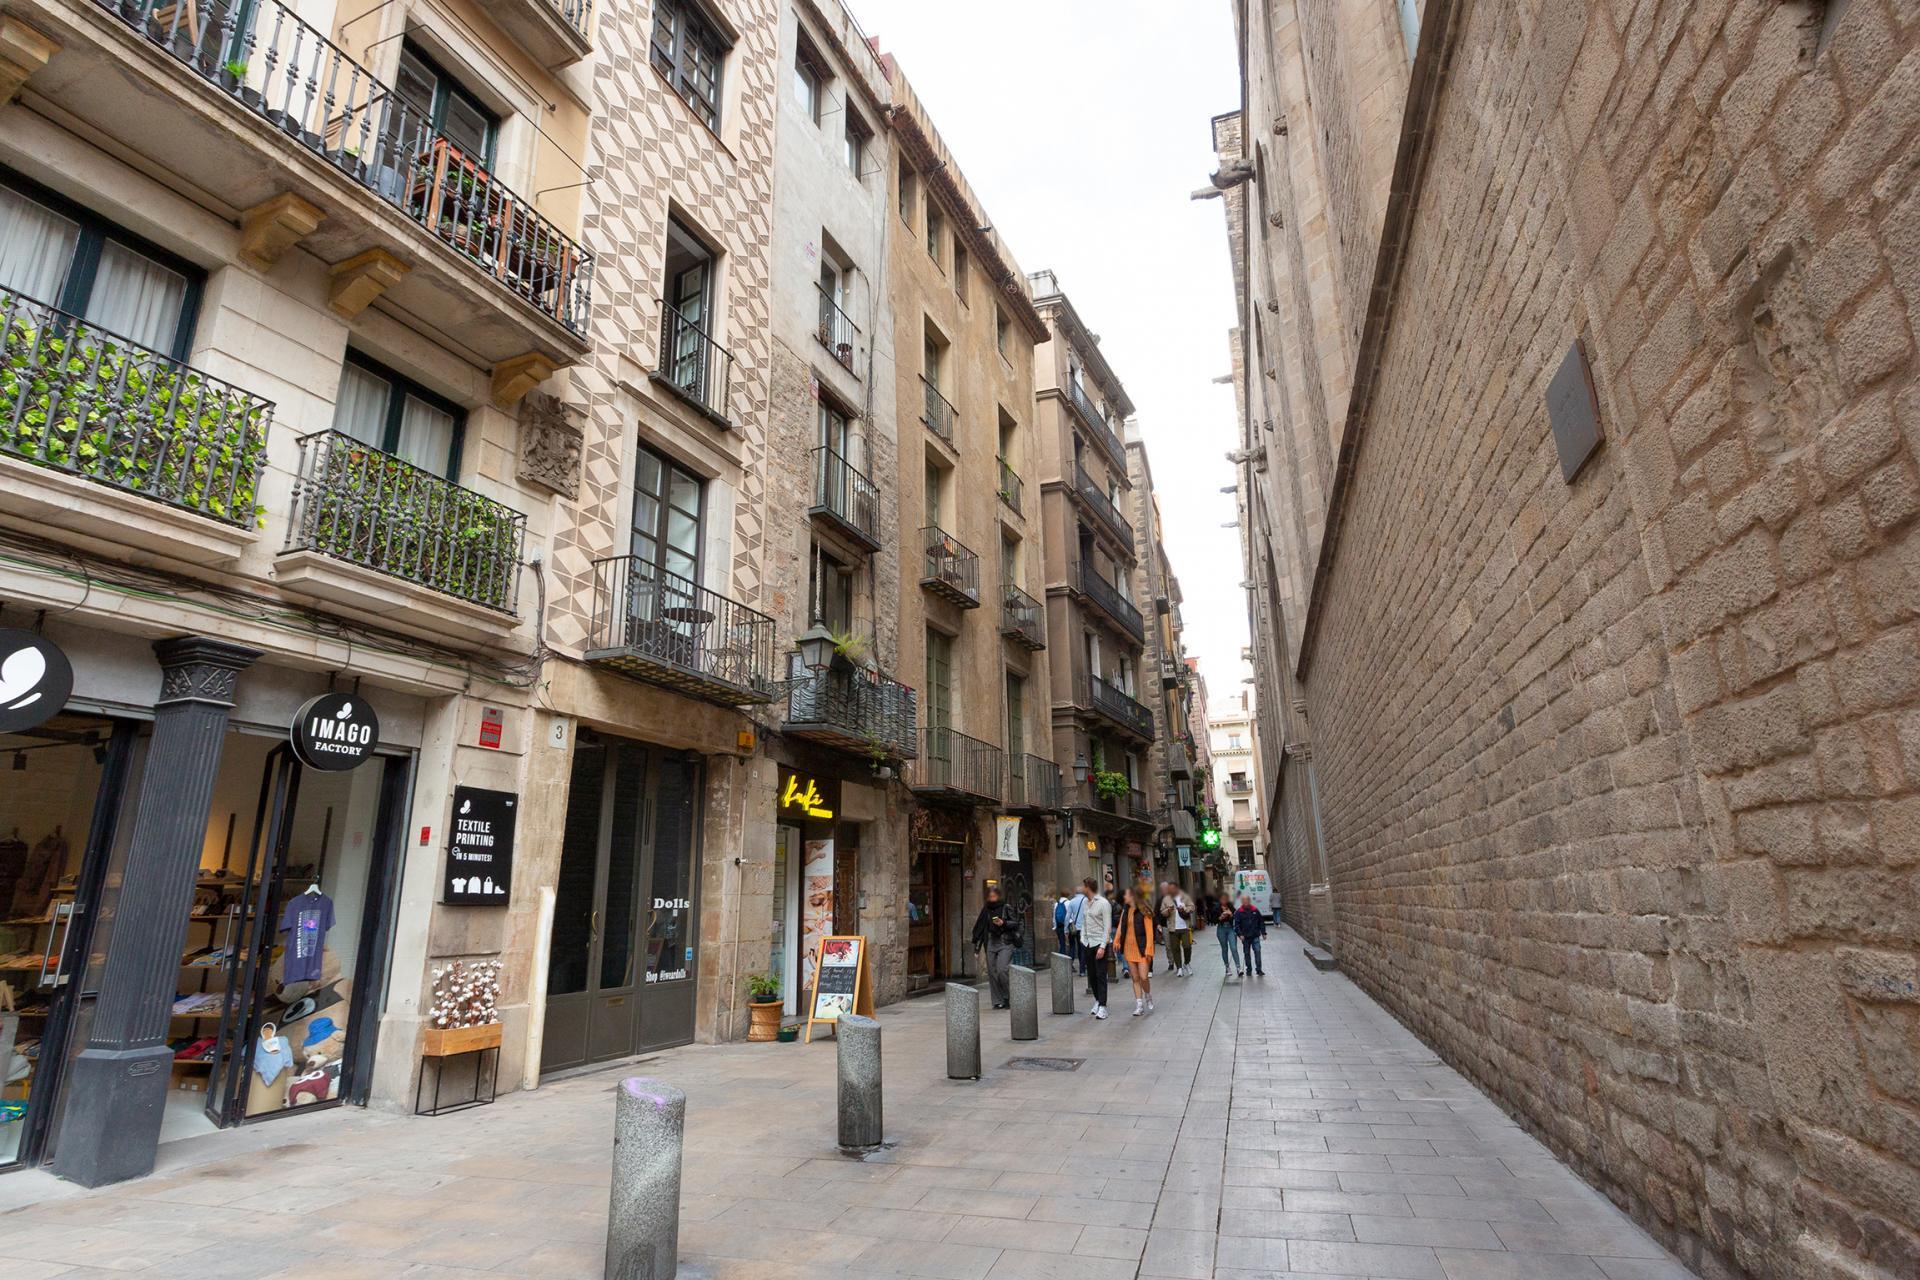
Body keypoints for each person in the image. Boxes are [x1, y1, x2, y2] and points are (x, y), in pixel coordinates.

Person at [971, 885, 1021, 1009]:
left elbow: (1016, 923)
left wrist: (1003, 923)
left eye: (994, 896)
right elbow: (980, 929)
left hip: (1005, 941)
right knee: (992, 973)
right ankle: (998, 1001)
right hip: (991, 942)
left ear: (998, 896)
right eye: (990, 896)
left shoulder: (1006, 907)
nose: (992, 898)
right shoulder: (986, 909)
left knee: (1002, 970)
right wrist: (977, 948)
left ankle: (1008, 996)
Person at [1114, 885, 1156, 1016]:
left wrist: (1149, 949)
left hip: (1142, 949)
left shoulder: (1144, 910)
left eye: (1126, 894)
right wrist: (1116, 940)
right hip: (1129, 947)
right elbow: (1121, 926)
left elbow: (1150, 933)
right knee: (1135, 978)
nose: (1124, 896)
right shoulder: (1126, 910)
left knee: (1144, 977)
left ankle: (1147, 994)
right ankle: (1139, 1005)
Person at [1076, 877, 1111, 1019]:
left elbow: (1107, 927)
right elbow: (1084, 922)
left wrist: (1103, 947)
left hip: (1099, 943)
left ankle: (1103, 1006)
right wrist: (1082, 938)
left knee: (1101, 975)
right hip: (1087, 943)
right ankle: (1097, 1000)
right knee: (1092, 975)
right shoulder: (1085, 903)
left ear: (1088, 887)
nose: (1081, 889)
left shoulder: (1103, 903)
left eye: (1083, 886)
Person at [1158, 882, 1195, 977]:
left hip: (1184, 927)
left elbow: (1192, 907)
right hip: (1172, 928)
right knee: (1175, 948)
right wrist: (1168, 910)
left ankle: (1186, 963)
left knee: (1187, 946)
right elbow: (1162, 912)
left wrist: (1184, 909)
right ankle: (1179, 968)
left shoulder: (1185, 897)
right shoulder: (1166, 899)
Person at [1233, 894, 1267, 977]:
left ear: (1249, 901)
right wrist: (1240, 934)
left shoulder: (1255, 910)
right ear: (1242, 901)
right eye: (1243, 900)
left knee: (1257, 952)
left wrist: (1263, 933)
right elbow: (1236, 925)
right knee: (1247, 953)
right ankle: (1249, 969)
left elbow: (1261, 922)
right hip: (1245, 937)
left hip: (1255, 935)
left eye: (1246, 900)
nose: (1245, 902)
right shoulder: (1239, 912)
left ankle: (1259, 969)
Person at [1063, 888, 1087, 984]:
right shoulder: (1086, 900)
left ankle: (1072, 967)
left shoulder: (1072, 901)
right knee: (1082, 949)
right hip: (1084, 928)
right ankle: (1082, 970)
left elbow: (1067, 916)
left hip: (1074, 929)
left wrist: (1066, 929)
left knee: (1073, 947)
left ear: (1076, 893)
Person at [1214, 893, 1241, 977]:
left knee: (1234, 948)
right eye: (1223, 899)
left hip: (1230, 929)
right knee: (1224, 948)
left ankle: (1238, 967)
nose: (1224, 901)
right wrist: (1220, 917)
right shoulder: (1216, 908)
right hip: (1221, 929)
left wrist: (1231, 914)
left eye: (1226, 899)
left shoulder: (1231, 907)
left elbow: (1236, 918)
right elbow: (1212, 920)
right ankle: (1227, 967)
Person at [1053, 894, 1070, 960]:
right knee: (1069, 944)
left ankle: (1061, 958)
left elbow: (1054, 916)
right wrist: (1066, 929)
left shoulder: (1056, 904)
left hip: (1059, 926)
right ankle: (1064, 960)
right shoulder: (1068, 903)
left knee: (1061, 943)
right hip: (1066, 926)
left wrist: (1055, 926)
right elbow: (1069, 916)